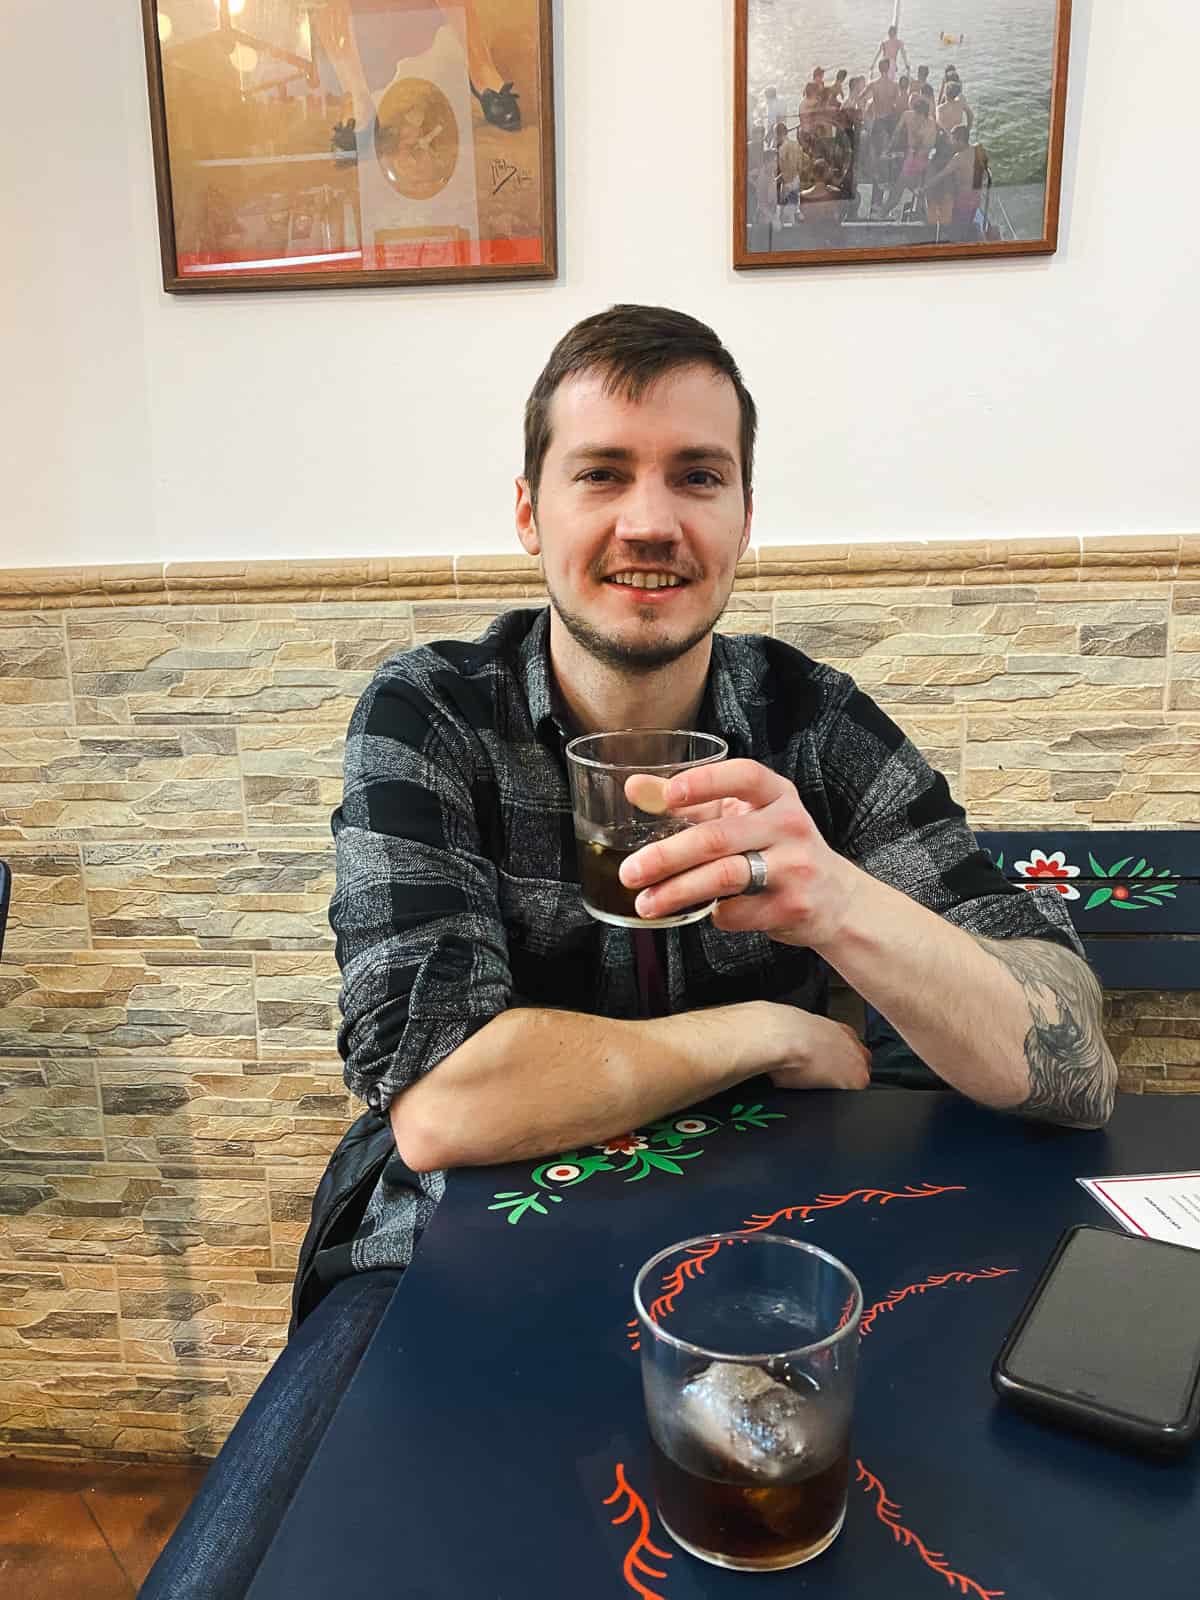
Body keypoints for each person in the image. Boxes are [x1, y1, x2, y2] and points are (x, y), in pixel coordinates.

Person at [139, 305, 1116, 1599]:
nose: (650, 520)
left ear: (744, 520)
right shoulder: (428, 715)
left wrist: (835, 902)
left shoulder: (815, 726)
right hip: (443, 1265)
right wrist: (766, 1030)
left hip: (766, 1276)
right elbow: (439, 1106)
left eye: (697, 476)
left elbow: (1074, 1057)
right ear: (531, 514)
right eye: (602, 472)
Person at [883, 94, 935, 219]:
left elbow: (925, 149)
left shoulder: (930, 126)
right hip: (910, 155)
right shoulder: (907, 115)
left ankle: (883, 213)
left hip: (918, 159)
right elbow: (896, 133)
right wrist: (888, 149)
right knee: (910, 187)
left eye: (919, 115)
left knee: (900, 188)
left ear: (925, 114)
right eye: (916, 114)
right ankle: (922, 207)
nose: (917, 117)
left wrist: (916, 139)